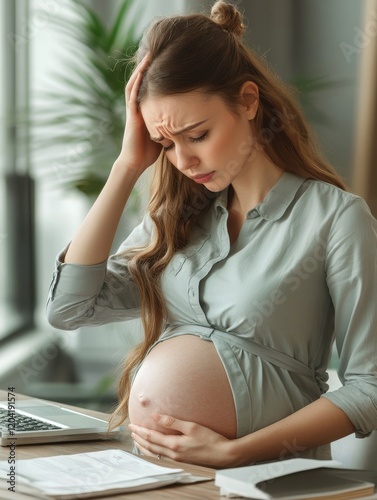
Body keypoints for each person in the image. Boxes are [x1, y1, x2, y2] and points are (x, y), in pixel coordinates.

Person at [46, 1, 377, 467]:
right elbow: (69, 309)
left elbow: (370, 387)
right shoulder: (175, 218)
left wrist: (232, 451)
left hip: (264, 479)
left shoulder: (336, 220)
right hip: (154, 475)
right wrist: (127, 167)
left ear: (247, 101)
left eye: (197, 135)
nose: (182, 161)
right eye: (166, 144)